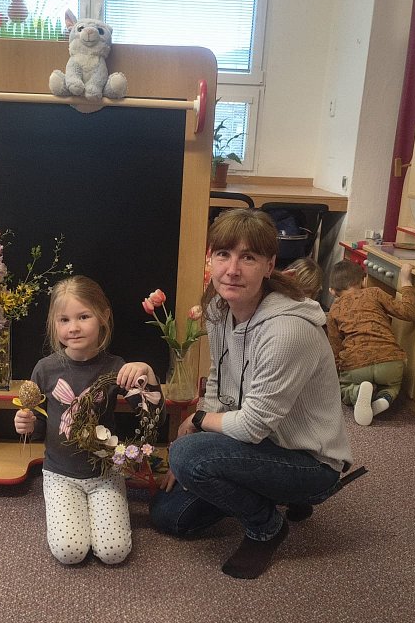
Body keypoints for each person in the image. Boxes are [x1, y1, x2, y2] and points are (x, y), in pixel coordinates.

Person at [150, 209, 353, 580]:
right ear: (210, 259)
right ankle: (269, 493)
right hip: (257, 444)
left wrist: (196, 423)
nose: (232, 269)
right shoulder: (219, 307)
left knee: (186, 456)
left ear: (269, 265)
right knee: (169, 517)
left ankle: (266, 526)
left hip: (308, 459)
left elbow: (253, 426)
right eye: (223, 254)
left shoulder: (287, 331)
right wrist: (200, 433)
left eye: (248, 257)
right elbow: (217, 378)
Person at [14, 275, 163, 566]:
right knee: (70, 552)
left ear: (103, 317)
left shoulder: (117, 368)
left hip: (105, 474)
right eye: (64, 320)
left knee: (113, 552)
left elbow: (152, 417)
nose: (73, 327)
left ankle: (98, 512)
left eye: (83, 317)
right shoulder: (45, 369)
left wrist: (147, 373)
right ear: (54, 324)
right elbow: (41, 425)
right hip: (60, 475)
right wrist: (27, 425)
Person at [325, 259, 415, 426]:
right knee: (394, 385)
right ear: (364, 280)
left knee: (342, 388)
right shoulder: (374, 292)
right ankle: (384, 398)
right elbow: (409, 313)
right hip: (390, 361)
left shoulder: (334, 310)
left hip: (356, 365)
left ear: (332, 291)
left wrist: (339, 371)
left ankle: (356, 391)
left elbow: (335, 347)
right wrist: (406, 281)